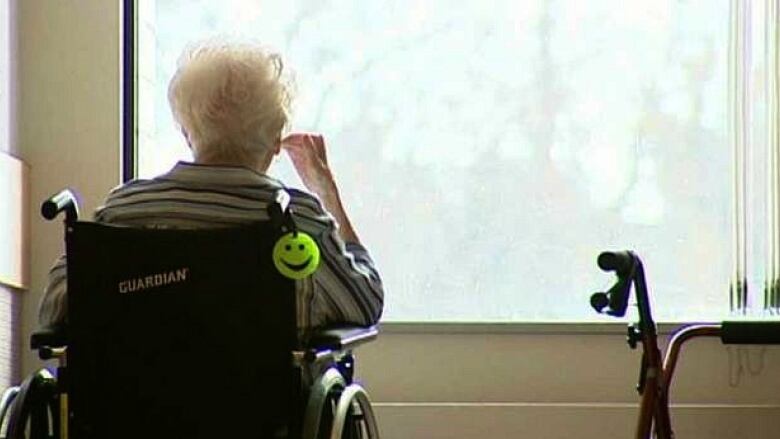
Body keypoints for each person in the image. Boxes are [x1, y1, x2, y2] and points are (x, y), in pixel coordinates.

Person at [38, 41, 384, 336]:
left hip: (128, 411)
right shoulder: (294, 217)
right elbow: (364, 302)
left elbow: (55, 307)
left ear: (187, 131)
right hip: (259, 410)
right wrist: (327, 193)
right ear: (277, 141)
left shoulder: (125, 208)